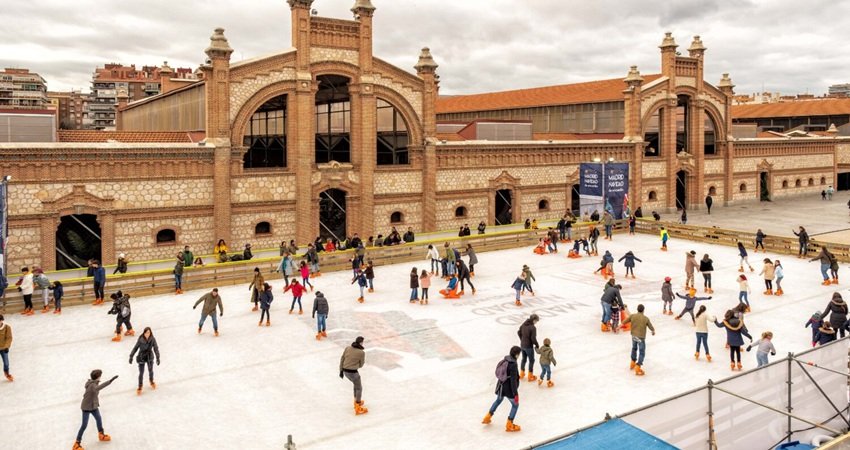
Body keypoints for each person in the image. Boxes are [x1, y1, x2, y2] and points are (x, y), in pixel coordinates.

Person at [73, 369, 117, 449]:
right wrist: (110, 381)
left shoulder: (94, 383)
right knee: (84, 425)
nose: (100, 377)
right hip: (86, 407)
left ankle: (101, 435)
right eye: (100, 376)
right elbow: (99, 387)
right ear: (97, 377)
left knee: (99, 419)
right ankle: (76, 444)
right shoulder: (93, 386)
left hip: (93, 406)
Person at [482, 346, 522, 432]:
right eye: (519, 354)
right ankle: (509, 424)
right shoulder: (513, 364)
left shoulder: (505, 360)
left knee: (498, 400)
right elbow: (513, 381)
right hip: (508, 389)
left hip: (500, 386)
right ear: (516, 354)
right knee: (515, 405)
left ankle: (487, 417)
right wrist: (515, 394)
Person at [623, 304, 655, 376]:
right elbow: (651, 327)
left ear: (637, 309)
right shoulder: (645, 318)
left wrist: (619, 327)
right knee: (642, 352)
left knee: (634, 348)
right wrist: (653, 331)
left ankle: (632, 362)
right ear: (643, 310)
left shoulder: (633, 316)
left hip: (634, 336)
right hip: (641, 337)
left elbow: (625, 321)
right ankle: (638, 366)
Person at [340, 336, 368, 415]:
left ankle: (356, 401)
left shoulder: (348, 348)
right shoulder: (361, 352)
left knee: (355, 385)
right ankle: (358, 406)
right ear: (361, 343)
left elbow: (342, 358)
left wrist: (341, 370)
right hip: (353, 373)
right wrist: (355, 365)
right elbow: (361, 364)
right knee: (359, 388)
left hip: (345, 372)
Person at [129, 327, 160, 395]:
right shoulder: (140, 339)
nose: (147, 334)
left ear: (150, 333)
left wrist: (158, 357)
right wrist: (131, 356)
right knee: (141, 372)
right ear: (144, 333)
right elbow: (135, 348)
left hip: (149, 357)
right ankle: (140, 386)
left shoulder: (152, 339)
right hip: (142, 357)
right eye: (146, 332)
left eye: (149, 332)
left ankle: (151, 381)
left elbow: (156, 348)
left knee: (150, 370)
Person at [517, 314, 540, 382]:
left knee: (524, 359)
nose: (536, 323)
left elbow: (518, 332)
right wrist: (537, 345)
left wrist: (522, 339)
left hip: (522, 345)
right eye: (536, 321)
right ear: (534, 320)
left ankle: (521, 373)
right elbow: (533, 338)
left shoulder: (524, 324)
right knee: (531, 360)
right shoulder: (532, 328)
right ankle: (530, 376)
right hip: (529, 347)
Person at [0, 314, 13, 381]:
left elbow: (9, 338)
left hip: (3, 348)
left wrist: (6, 347)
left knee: (6, 363)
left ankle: (7, 373)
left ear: (2, 320)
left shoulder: (7, 327)